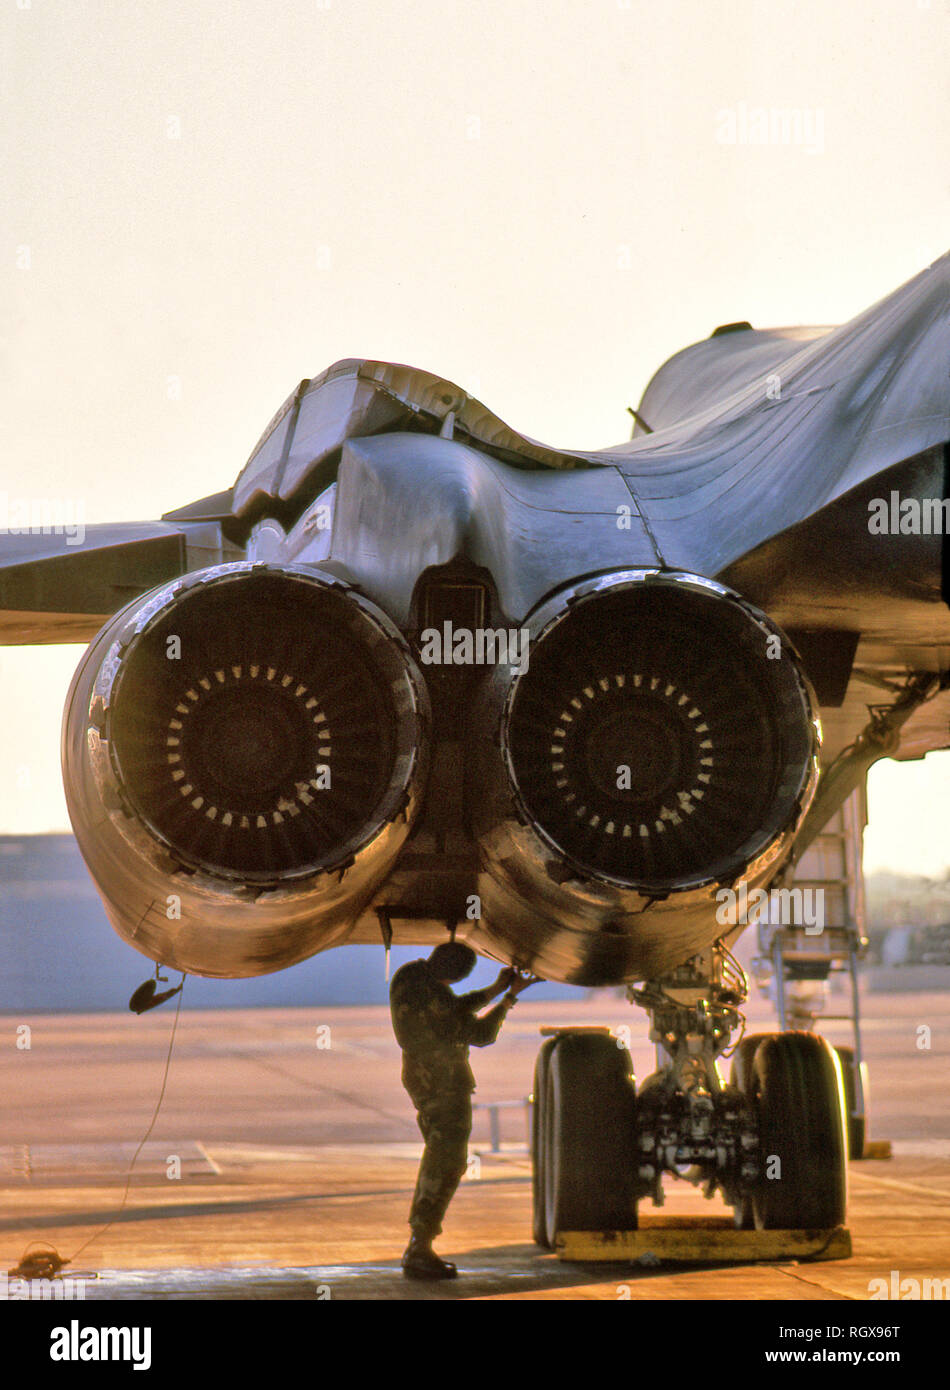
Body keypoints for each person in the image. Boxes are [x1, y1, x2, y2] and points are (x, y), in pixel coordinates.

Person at [389, 941, 534, 1279]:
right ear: (456, 975)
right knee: (446, 1160)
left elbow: (455, 1007)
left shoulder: (410, 978)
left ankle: (420, 1242)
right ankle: (420, 1244)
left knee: (440, 1154)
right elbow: (482, 1034)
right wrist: (509, 998)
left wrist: (497, 989)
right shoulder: (439, 1006)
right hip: (444, 1085)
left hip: (424, 1081)